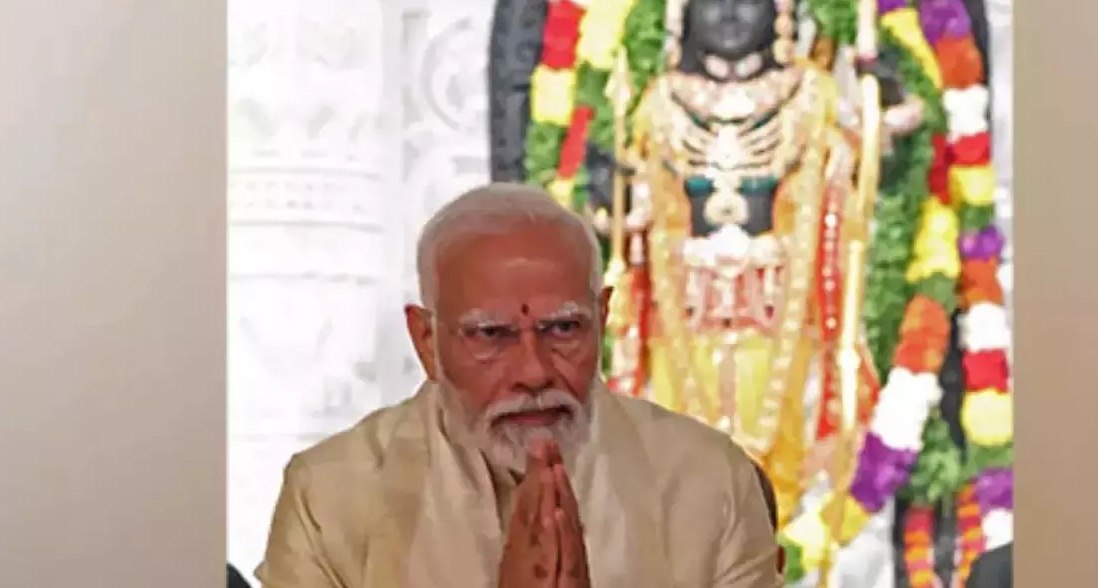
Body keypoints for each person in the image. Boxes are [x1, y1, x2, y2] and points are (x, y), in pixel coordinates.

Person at [256, 183, 780, 587]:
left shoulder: (710, 483)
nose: (534, 371)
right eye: (492, 335)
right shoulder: (330, 498)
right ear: (425, 341)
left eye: (564, 328)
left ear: (602, 317)